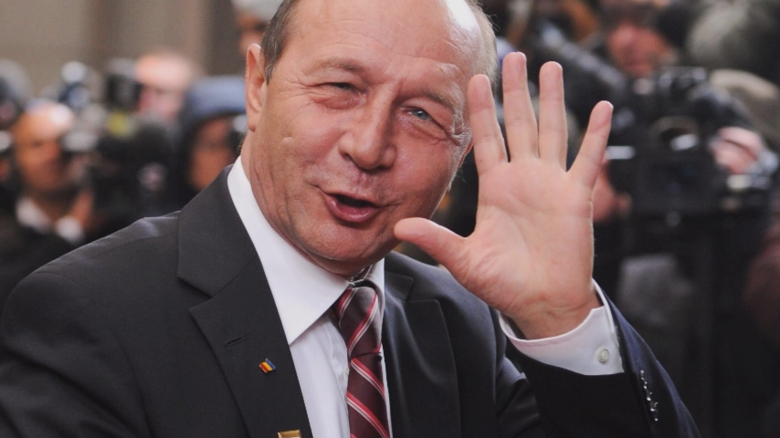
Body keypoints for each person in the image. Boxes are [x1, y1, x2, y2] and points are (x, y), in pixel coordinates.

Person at [0, 0, 698, 436]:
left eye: (421, 113)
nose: (368, 146)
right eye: (340, 87)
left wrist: (561, 321)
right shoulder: (92, 313)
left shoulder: (465, 327)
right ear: (258, 86)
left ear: (463, 152)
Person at [0, 101, 101, 307]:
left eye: (64, 141)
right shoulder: (5, 230)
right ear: (14, 157)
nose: (53, 154)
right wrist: (69, 232)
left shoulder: (116, 222)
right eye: (37, 145)